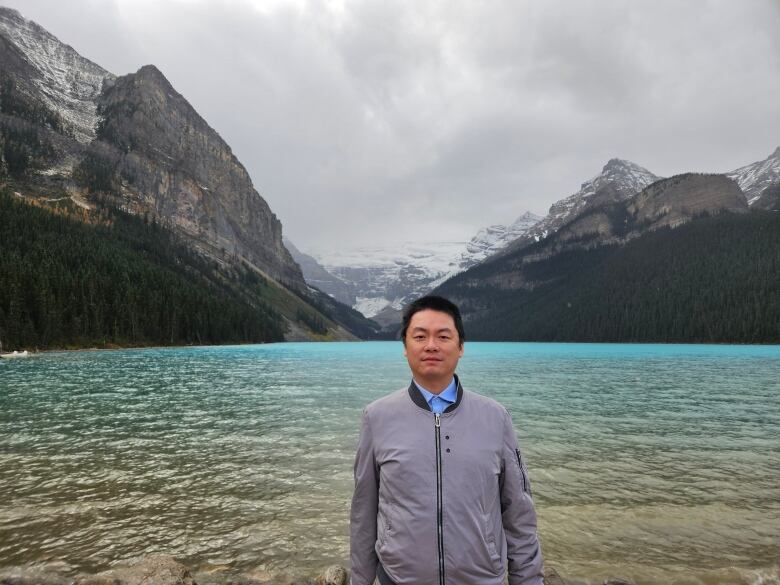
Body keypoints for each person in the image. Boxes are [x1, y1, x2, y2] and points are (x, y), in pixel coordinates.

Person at [350, 295, 544, 585]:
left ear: (461, 347)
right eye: (419, 336)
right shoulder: (376, 417)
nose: (431, 345)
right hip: (399, 579)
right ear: (405, 347)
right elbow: (364, 513)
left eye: (443, 336)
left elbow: (518, 511)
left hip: (481, 580)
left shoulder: (495, 417)